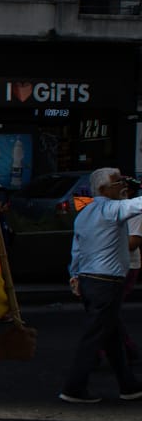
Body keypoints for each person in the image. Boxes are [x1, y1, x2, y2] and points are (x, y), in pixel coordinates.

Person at [63, 166, 142, 403]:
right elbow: (136, 205)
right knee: (95, 336)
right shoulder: (110, 209)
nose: (123, 187)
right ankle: (73, 388)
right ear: (103, 189)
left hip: (90, 280)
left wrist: (74, 275)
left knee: (111, 335)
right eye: (118, 184)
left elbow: (77, 249)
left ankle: (129, 386)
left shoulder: (84, 213)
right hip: (106, 282)